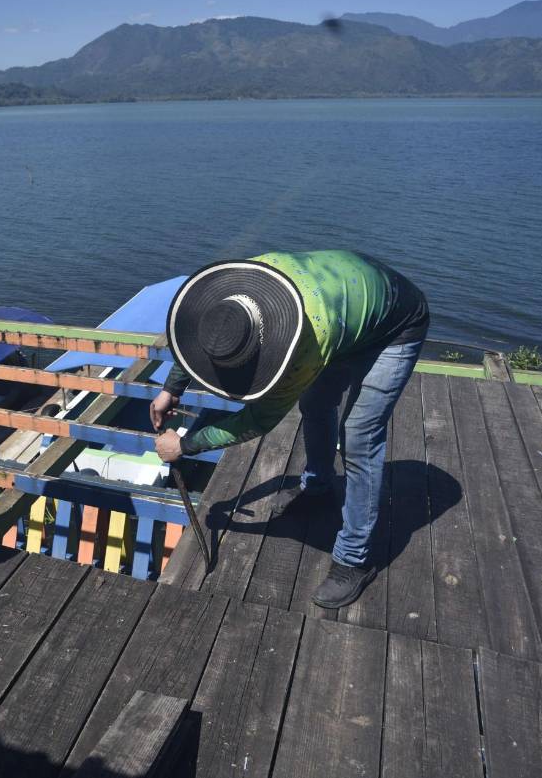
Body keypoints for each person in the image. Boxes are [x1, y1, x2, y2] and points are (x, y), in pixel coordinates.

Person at [150, 250, 428, 608]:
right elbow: (209, 337)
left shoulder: (305, 350)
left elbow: (256, 421)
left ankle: (354, 559)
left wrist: (184, 446)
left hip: (396, 326)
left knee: (359, 438)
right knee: (315, 405)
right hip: (345, 311)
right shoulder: (241, 286)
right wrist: (171, 388)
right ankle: (318, 486)